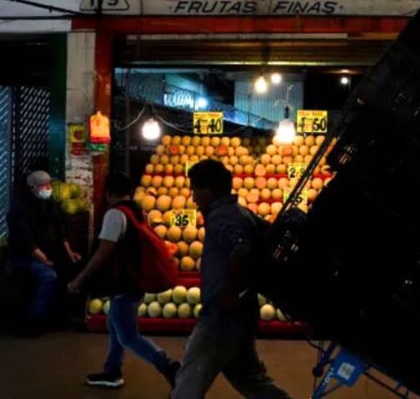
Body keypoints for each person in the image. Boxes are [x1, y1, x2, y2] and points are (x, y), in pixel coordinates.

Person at [171, 159, 291, 399]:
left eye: (195, 190)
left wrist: (230, 292)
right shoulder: (241, 212)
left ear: (208, 190)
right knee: (252, 382)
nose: (193, 198)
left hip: (220, 318)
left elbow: (242, 249)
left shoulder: (222, 216)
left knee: (189, 378)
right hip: (240, 315)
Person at [68, 172, 179, 389]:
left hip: (123, 282)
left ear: (108, 193)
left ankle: (170, 367)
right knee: (114, 323)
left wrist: (80, 278)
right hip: (133, 280)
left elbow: (104, 251)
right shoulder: (138, 212)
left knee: (128, 336)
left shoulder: (115, 214)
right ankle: (112, 371)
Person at [7, 170, 82, 335]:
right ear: (32, 188)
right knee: (49, 276)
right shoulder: (20, 209)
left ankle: (55, 318)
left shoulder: (50, 204)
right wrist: (42, 259)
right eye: (44, 186)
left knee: (68, 270)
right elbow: (24, 238)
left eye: (49, 185)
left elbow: (61, 229)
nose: (48, 188)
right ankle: (34, 319)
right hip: (26, 257)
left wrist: (69, 252)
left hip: (47, 254)